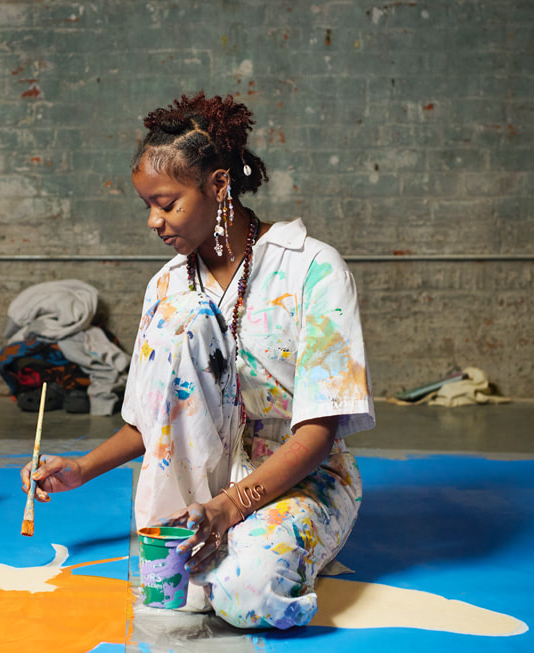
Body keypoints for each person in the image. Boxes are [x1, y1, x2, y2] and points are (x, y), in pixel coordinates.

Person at [21, 92, 374, 629]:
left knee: (245, 596)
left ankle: (278, 544)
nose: (154, 222)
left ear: (217, 185)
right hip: (194, 496)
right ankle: (229, 545)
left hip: (298, 478)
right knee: (176, 597)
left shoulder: (312, 270)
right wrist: (81, 469)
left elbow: (319, 431)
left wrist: (232, 508)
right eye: (148, 207)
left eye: (168, 203)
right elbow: (154, 418)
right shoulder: (165, 288)